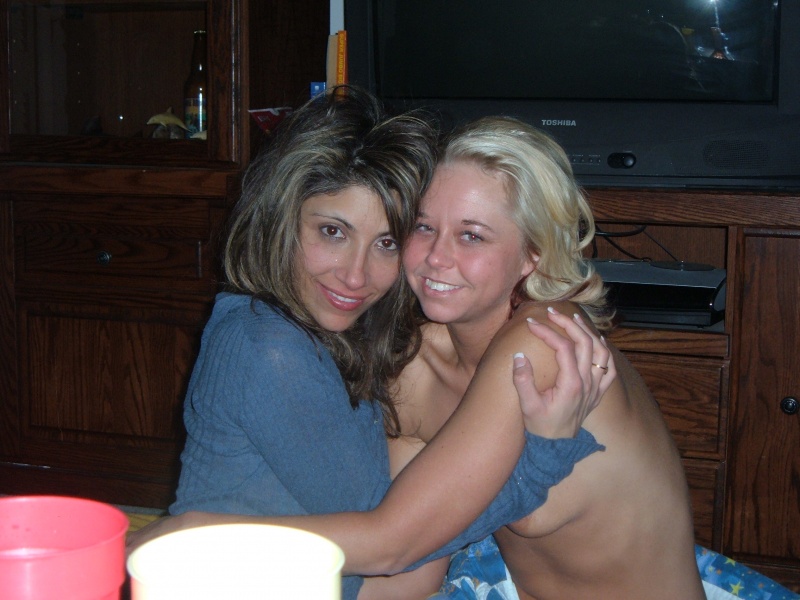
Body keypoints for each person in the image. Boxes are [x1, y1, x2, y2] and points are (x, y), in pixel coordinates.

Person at [127, 87, 613, 599]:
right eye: (332, 232)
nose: (356, 276)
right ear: (280, 219)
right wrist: (543, 458)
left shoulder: (339, 333)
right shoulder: (268, 348)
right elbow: (394, 546)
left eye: (386, 243)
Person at [389, 115, 706, 599]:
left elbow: (396, 541)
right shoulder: (418, 363)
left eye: (472, 235)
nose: (436, 256)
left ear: (532, 253)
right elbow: (408, 560)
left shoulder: (547, 340)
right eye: (423, 226)